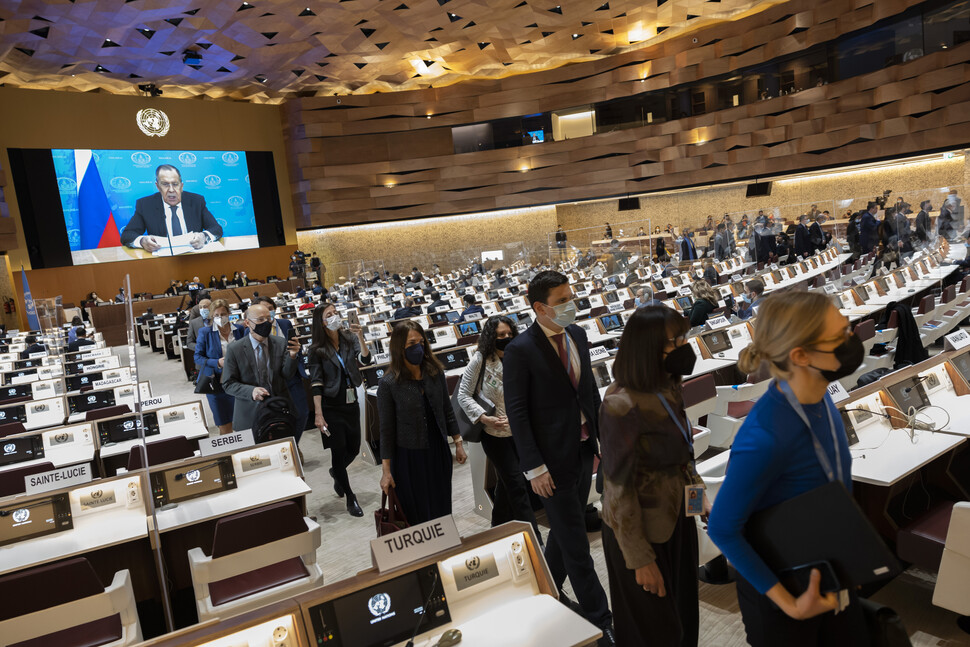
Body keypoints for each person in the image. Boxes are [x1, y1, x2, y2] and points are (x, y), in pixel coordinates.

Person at [708, 291, 867, 646]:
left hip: (828, 566)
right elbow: (722, 529)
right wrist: (790, 604)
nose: (852, 339)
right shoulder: (765, 435)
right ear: (801, 356)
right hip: (784, 590)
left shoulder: (821, 394)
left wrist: (850, 557)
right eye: (840, 336)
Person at [503, 271, 615, 645]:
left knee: (564, 535)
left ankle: (542, 592)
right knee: (577, 544)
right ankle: (602, 620)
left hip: (584, 450)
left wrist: (602, 441)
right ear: (539, 307)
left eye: (572, 297)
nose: (571, 305)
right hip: (549, 463)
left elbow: (589, 393)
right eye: (562, 300)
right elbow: (517, 413)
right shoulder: (521, 350)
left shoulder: (578, 335)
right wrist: (533, 467)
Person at [600, 305, 708, 646]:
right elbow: (618, 489)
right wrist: (640, 559)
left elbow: (681, 454)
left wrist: (698, 496)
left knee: (683, 621)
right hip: (639, 532)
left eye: (683, 337)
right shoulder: (621, 403)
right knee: (653, 632)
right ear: (648, 348)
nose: (683, 346)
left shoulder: (668, 385)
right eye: (676, 341)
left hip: (676, 518)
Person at [457, 316, 541, 536]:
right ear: (490, 338)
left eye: (508, 334)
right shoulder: (481, 360)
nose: (505, 338)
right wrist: (484, 417)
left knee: (508, 481)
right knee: (517, 485)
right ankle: (536, 539)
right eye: (500, 335)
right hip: (494, 434)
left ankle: (497, 526)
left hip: (520, 431)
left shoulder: (520, 357)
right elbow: (463, 395)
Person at [378, 320, 467, 524]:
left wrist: (458, 444)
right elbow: (386, 430)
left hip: (438, 450)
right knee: (416, 512)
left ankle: (444, 548)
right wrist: (386, 471)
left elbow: (447, 410)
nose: (418, 347)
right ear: (399, 348)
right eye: (411, 344)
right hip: (409, 457)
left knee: (441, 505)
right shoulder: (389, 383)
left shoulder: (435, 373)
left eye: (421, 342)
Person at [309, 302, 372, 518]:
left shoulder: (349, 338)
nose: (335, 316)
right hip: (331, 404)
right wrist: (318, 413)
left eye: (336, 313)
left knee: (354, 448)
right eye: (330, 314)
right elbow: (316, 383)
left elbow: (365, 358)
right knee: (338, 449)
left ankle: (337, 472)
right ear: (322, 321)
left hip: (351, 400)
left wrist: (361, 337)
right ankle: (350, 497)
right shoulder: (316, 349)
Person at [221, 303, 301, 432]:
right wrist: (251, 391)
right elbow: (228, 384)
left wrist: (292, 356)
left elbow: (287, 375)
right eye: (260, 320)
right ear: (247, 323)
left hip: (279, 409)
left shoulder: (280, 343)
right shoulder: (235, 349)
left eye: (268, 319)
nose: (266, 323)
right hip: (249, 413)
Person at [120, 164, 223, 251]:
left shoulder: (196, 201)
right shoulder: (145, 205)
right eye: (165, 184)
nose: (171, 190)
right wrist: (142, 241)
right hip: (163, 262)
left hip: (193, 258)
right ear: (158, 186)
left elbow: (216, 229)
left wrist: (204, 237)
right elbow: (127, 235)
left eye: (175, 184)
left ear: (181, 186)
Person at [194, 299, 236, 435]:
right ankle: (228, 455)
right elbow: (198, 357)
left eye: (223, 314)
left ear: (229, 313)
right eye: (216, 315)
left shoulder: (239, 330)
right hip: (216, 385)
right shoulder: (205, 333)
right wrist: (217, 362)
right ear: (212, 316)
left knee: (243, 422)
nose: (220, 317)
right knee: (224, 424)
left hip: (239, 382)